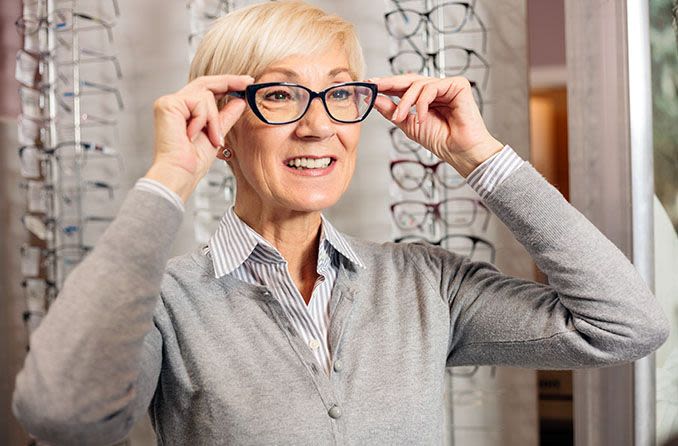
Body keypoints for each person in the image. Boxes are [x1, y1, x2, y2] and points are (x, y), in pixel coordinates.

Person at [12, 1, 669, 445]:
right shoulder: (163, 303)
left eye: (338, 92)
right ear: (221, 129)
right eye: (278, 93)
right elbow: (58, 411)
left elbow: (625, 325)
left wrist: (481, 157)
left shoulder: (424, 282)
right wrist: (169, 177)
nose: (317, 123)